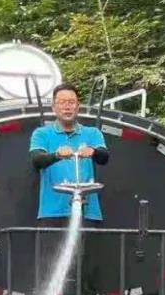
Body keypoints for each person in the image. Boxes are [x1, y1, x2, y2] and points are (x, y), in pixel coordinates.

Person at [29, 83, 110, 225]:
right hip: (52, 213)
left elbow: (104, 157)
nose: (67, 107)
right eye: (62, 102)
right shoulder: (41, 133)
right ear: (53, 107)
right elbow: (37, 160)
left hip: (88, 213)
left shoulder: (92, 133)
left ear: (78, 107)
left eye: (71, 102)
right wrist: (56, 155)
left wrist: (93, 152)